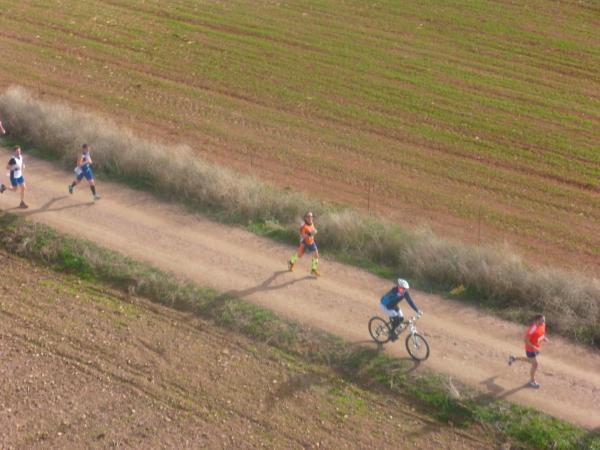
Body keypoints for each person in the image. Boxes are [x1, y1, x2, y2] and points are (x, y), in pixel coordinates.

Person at [508, 314, 549, 389]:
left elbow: (541, 333)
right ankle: (532, 381)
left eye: (544, 320)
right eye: (542, 320)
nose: (544, 321)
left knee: (530, 361)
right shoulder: (532, 329)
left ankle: (514, 358)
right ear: (537, 320)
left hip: (537, 347)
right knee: (535, 364)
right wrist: (534, 347)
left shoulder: (543, 324)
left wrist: (544, 338)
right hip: (530, 349)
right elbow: (526, 341)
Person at [288, 211, 320, 276]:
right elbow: (302, 236)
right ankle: (291, 262)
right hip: (304, 243)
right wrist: (310, 234)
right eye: (308, 216)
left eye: (311, 216)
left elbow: (312, 230)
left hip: (311, 242)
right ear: (305, 218)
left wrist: (314, 231)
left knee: (316, 255)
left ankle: (313, 270)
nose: (310, 218)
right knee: (299, 255)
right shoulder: (304, 226)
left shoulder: (311, 223)